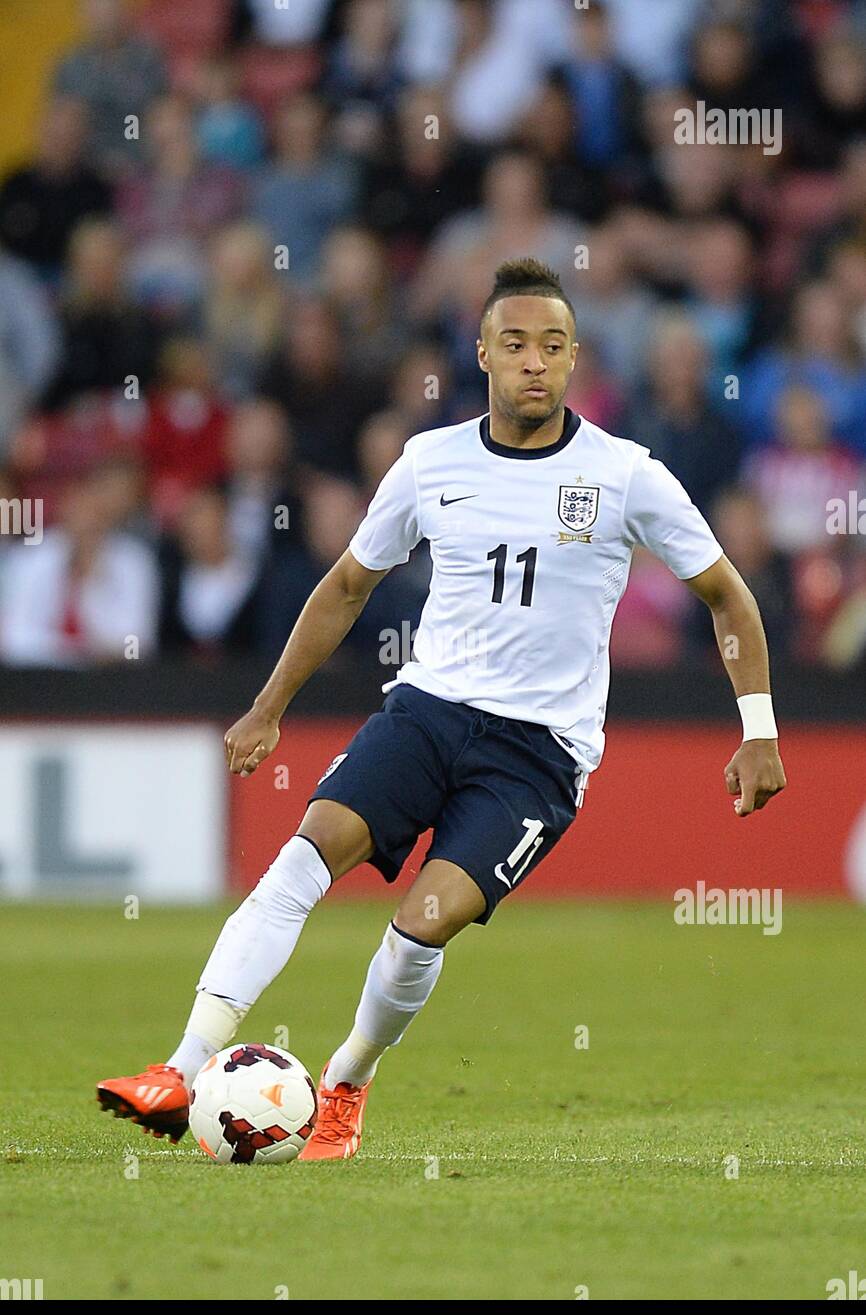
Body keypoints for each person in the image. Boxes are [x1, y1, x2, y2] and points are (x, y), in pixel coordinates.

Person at [96, 259, 786, 1158]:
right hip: (425, 711)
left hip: (539, 756)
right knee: (301, 861)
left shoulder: (626, 477)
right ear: (484, 356)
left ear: (575, 358)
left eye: (551, 346)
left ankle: (346, 1078)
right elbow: (346, 585)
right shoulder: (431, 461)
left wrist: (760, 730)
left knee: (424, 923)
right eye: (514, 345)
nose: (533, 362)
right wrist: (267, 708)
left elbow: (729, 597)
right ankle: (181, 1069)